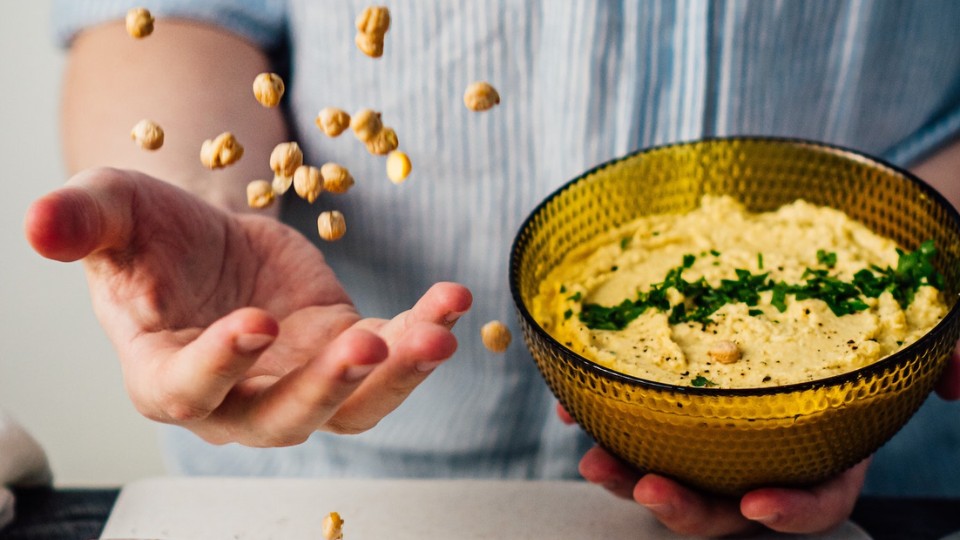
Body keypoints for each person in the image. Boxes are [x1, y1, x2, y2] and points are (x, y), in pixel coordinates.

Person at [25, 0, 960, 536]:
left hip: (890, 476)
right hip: (333, 479)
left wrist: (901, 323)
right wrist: (206, 197)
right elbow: (162, 15)